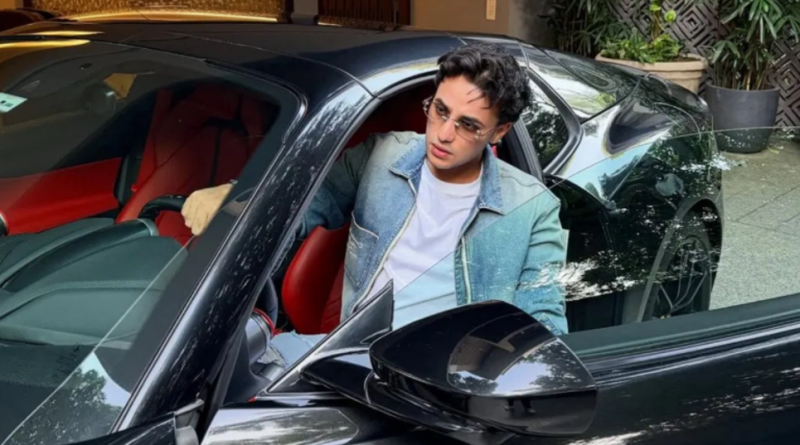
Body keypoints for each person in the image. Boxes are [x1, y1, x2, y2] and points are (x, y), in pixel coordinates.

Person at [182, 42, 568, 336]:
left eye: (468, 125)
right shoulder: (382, 155)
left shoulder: (533, 209)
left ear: (499, 132)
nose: (444, 134)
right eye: (440, 110)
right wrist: (237, 196)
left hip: (447, 380)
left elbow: (542, 326)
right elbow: (300, 201)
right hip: (352, 356)